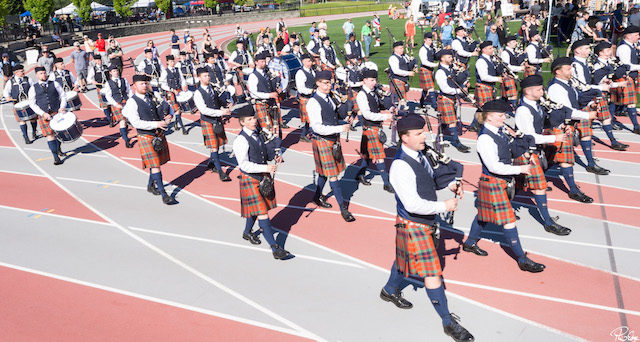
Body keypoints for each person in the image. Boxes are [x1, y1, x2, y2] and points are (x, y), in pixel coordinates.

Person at [379, 114, 473, 342]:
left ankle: (389, 291)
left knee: (404, 261)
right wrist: (444, 205)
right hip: (413, 224)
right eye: (419, 133)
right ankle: (448, 323)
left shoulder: (422, 154)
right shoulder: (400, 166)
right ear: (404, 137)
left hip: (424, 223)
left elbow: (434, 177)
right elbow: (412, 204)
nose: (426, 136)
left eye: (424, 131)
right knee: (433, 274)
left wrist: (451, 185)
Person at [463, 100, 546, 273]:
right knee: (509, 221)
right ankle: (522, 259)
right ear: (489, 117)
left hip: (501, 181)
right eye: (501, 115)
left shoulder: (499, 131)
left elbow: (507, 152)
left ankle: (469, 243)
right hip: (493, 181)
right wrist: (520, 169)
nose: (504, 117)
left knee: (483, 216)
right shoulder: (485, 138)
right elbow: (494, 166)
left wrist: (522, 146)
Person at [514, 75, 572, 235]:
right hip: (525, 152)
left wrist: (560, 124)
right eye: (539, 89)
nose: (542, 91)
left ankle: (500, 207)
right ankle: (548, 223)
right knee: (540, 187)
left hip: (534, 150)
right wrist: (555, 137)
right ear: (528, 91)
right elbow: (530, 136)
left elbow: (543, 123)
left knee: (518, 184)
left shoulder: (537, 105)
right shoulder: (523, 110)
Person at [232, 104, 290, 259]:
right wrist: (266, 167)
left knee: (258, 210)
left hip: (262, 176)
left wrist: (276, 155)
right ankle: (275, 248)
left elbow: (266, 152)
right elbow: (244, 164)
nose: (254, 121)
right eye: (250, 119)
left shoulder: (258, 134)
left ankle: (246, 232)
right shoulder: (240, 141)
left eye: (254, 118)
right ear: (242, 122)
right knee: (262, 213)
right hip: (250, 178)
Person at [306, 70, 356, 222]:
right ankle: (343, 208)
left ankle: (316, 196)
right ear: (318, 83)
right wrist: (340, 128)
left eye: (330, 82)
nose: (329, 85)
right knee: (333, 174)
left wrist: (346, 116)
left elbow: (335, 116)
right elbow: (317, 127)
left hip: (333, 139)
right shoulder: (313, 102)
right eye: (326, 83)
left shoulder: (330, 97)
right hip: (322, 139)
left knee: (324, 173)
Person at [546, 57, 597, 202]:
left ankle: (534, 179)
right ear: (558, 72)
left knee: (550, 159)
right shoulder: (556, 88)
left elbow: (577, 99)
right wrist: (588, 115)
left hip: (566, 126)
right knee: (565, 160)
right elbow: (567, 110)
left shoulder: (567, 84)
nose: (571, 71)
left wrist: (591, 102)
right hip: (559, 127)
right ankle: (573, 190)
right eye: (568, 69)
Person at [122, 74, 174, 204]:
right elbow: (136, 123)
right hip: (146, 136)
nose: (144, 86)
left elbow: (168, 107)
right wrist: (156, 124)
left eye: (145, 83)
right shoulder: (132, 102)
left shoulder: (153, 95)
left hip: (158, 135)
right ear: (134, 86)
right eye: (141, 84)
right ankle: (164, 194)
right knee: (156, 165)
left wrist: (170, 116)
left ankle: (150, 185)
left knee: (155, 163)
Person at [571, 39, 627, 151]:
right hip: (583, 97)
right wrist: (603, 87)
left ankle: (612, 141)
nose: (589, 50)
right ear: (577, 51)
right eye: (586, 48)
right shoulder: (576, 65)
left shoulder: (585, 62)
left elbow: (590, 80)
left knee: (602, 118)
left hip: (591, 94)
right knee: (582, 123)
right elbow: (581, 86)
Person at [354, 69, 394, 193]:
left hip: (375, 127)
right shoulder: (361, 95)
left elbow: (378, 105)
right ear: (364, 80)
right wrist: (386, 116)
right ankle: (386, 183)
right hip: (371, 127)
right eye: (371, 80)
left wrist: (390, 107)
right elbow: (367, 114)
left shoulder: (373, 91)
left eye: (375, 80)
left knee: (367, 155)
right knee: (380, 156)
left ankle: (360, 174)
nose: (374, 82)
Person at [193, 67, 232, 182]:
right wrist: (221, 112)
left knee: (218, 144)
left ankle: (211, 163)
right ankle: (220, 172)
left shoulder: (214, 88)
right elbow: (204, 110)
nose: (208, 77)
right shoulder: (198, 93)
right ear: (199, 78)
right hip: (208, 121)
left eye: (208, 75)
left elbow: (220, 101)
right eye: (205, 76)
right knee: (214, 146)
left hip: (217, 120)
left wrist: (227, 104)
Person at [27, 66, 68, 165]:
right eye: (41, 73)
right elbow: (32, 103)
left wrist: (62, 107)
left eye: (44, 73)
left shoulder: (54, 83)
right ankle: (55, 157)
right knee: (50, 135)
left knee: (58, 133)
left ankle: (58, 149)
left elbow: (63, 96)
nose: (44, 75)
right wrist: (43, 113)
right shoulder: (33, 88)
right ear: (37, 75)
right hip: (44, 114)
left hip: (56, 112)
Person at [434, 49, 471, 153]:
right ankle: (457, 144)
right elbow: (445, 88)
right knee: (452, 122)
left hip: (451, 99)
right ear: (442, 58)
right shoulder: (440, 72)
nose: (451, 59)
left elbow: (455, 81)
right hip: (445, 98)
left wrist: (464, 83)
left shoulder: (450, 69)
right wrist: (460, 91)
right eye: (449, 57)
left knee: (444, 122)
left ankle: (438, 141)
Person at [247, 52, 285, 135]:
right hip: (261, 103)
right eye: (262, 62)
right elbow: (253, 93)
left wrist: (279, 88)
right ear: (256, 62)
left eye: (264, 61)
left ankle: (274, 144)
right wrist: (269, 95)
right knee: (266, 128)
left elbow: (275, 82)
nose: (264, 63)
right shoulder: (253, 76)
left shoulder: (268, 72)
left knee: (275, 126)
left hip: (271, 103)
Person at [613, 26, 640, 134]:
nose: (638, 37)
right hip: (624, 77)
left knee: (617, 102)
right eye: (636, 35)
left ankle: (611, 120)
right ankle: (636, 126)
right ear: (628, 36)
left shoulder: (632, 46)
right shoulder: (624, 48)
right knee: (626, 102)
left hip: (630, 77)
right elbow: (626, 65)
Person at [4, 64, 38, 144]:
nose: (23, 72)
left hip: (29, 103)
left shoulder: (28, 79)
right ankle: (26, 137)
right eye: (22, 71)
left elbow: (35, 87)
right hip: (18, 104)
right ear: (16, 73)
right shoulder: (11, 82)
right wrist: (7, 97)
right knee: (22, 120)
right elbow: (6, 91)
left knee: (33, 118)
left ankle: (34, 131)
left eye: (23, 70)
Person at [104, 65, 134, 147]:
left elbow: (129, 91)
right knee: (122, 121)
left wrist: (131, 100)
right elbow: (108, 96)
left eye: (116, 71)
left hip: (126, 102)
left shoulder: (124, 80)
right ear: (110, 73)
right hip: (117, 104)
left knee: (129, 120)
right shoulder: (108, 83)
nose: (116, 72)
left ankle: (123, 132)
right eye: (114, 71)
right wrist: (116, 104)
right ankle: (126, 140)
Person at [160, 55, 187, 134]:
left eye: (173, 61)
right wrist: (171, 89)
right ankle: (183, 128)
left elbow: (182, 79)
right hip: (170, 93)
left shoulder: (177, 70)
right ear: (167, 62)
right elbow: (162, 84)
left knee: (180, 110)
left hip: (178, 91)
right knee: (177, 110)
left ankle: (175, 123)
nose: (173, 63)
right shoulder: (165, 72)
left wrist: (184, 85)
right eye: (171, 61)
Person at [295, 54, 316, 143]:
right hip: (305, 97)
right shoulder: (300, 73)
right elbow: (301, 89)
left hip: (312, 97)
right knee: (308, 119)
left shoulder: (312, 71)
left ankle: (305, 134)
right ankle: (303, 135)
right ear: (303, 62)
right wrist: (311, 91)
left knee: (313, 117)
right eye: (308, 61)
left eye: (311, 61)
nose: (310, 63)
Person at [388, 41, 414, 111]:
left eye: (402, 48)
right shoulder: (393, 58)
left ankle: (399, 112)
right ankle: (404, 114)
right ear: (395, 49)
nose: (402, 49)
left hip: (403, 80)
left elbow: (407, 65)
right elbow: (396, 71)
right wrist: (408, 73)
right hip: (397, 80)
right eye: (400, 48)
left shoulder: (403, 56)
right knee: (402, 99)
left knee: (401, 99)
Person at [87, 56, 112, 125]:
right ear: (95, 61)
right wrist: (93, 82)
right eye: (97, 61)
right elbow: (88, 79)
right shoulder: (93, 69)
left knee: (110, 102)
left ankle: (110, 115)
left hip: (108, 87)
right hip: (100, 88)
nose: (98, 62)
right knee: (104, 104)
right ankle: (109, 119)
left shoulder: (106, 67)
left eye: (99, 60)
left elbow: (111, 75)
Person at [500, 36, 523, 110]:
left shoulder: (513, 52)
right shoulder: (505, 53)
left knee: (506, 95)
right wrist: (520, 68)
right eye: (513, 42)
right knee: (512, 95)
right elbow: (508, 67)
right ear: (508, 44)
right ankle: (514, 109)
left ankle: (504, 109)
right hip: (508, 76)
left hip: (513, 75)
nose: (516, 43)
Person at [418, 32, 438, 109]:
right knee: (431, 87)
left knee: (426, 88)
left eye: (431, 40)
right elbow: (424, 62)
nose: (431, 41)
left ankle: (421, 102)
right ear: (425, 40)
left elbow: (434, 57)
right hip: (425, 69)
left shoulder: (431, 48)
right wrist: (435, 65)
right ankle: (435, 105)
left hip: (430, 69)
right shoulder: (423, 49)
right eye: (429, 40)